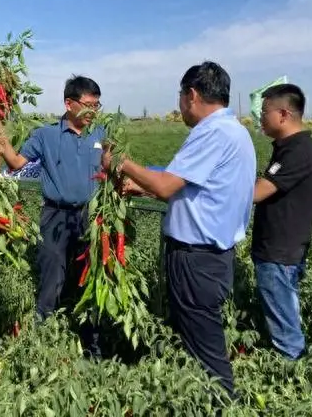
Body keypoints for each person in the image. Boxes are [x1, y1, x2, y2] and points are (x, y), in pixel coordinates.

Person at [102, 61, 256, 398]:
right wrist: (139, 188)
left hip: (196, 259)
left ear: (192, 95)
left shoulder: (212, 133)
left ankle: (221, 402)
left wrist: (120, 161)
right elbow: (200, 190)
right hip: (214, 257)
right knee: (199, 337)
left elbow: (165, 186)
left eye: (180, 97)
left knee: (205, 352)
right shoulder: (237, 132)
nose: (179, 105)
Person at [0, 75, 105, 357]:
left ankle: (92, 347)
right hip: (56, 217)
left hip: (91, 217)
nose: (92, 112)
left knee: (90, 282)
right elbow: (15, 163)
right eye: (88, 105)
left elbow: (113, 168)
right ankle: (41, 345)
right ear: (69, 103)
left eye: (97, 106)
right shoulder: (46, 135)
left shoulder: (101, 134)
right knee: (52, 279)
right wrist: (0, 138)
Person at [251, 83, 312, 360]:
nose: (261, 116)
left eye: (265, 111)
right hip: (281, 250)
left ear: (283, 114)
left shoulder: (298, 151)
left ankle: (294, 379)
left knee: (285, 330)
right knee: (284, 316)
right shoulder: (288, 148)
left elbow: (258, 192)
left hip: (280, 253)